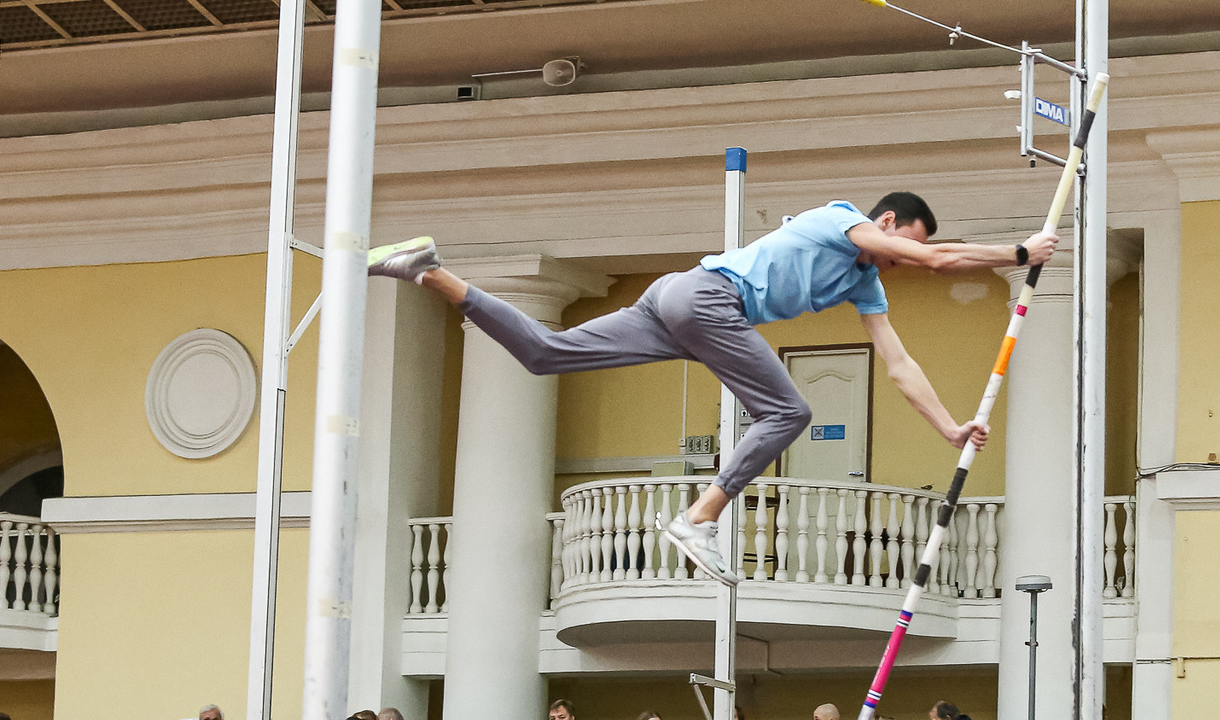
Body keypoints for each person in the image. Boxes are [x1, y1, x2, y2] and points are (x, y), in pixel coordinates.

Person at [368, 195, 1055, 583]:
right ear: (887, 224)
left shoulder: (862, 282)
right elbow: (935, 260)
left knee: (546, 354)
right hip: (705, 299)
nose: (898, 261)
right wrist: (1020, 254)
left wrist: (948, 427)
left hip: (677, 302)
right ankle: (698, 518)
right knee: (788, 411)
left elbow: (898, 363)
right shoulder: (839, 217)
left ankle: (428, 271)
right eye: (903, 244)